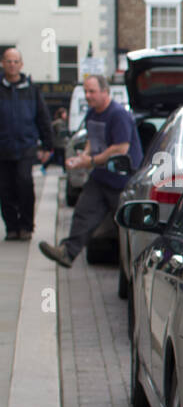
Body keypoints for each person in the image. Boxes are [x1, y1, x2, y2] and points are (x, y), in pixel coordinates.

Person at [39, 74, 141, 268]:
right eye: (85, 91)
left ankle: (135, 264)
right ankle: (67, 252)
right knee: (83, 213)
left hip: (122, 180)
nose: (87, 95)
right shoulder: (92, 113)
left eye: (92, 91)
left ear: (105, 91)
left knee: (125, 225)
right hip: (101, 176)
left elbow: (121, 148)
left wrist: (91, 161)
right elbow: (91, 141)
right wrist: (82, 157)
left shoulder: (118, 114)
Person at [0, 47, 54, 241]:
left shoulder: (32, 90)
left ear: (21, 65)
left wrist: (48, 145)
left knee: (24, 183)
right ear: (2, 63)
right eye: (9, 61)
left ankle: (26, 226)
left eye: (16, 61)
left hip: (26, 146)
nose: (12, 65)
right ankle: (11, 227)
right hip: (3, 148)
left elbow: (43, 118)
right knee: (5, 189)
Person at [45, 107, 69, 172]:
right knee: (60, 157)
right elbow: (60, 132)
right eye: (65, 113)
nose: (66, 115)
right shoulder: (59, 122)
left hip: (58, 143)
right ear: (61, 114)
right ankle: (44, 166)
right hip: (59, 143)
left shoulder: (59, 122)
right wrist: (67, 133)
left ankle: (64, 170)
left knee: (58, 157)